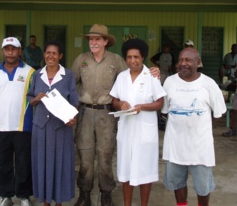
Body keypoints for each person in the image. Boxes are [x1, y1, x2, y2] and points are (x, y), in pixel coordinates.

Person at [71, 24, 160, 206]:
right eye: (91, 39)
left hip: (106, 114)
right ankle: (84, 193)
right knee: (85, 156)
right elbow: (70, 85)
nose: (93, 42)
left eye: (97, 39)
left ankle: (106, 193)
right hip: (85, 113)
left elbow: (134, 72)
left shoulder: (116, 60)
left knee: (105, 155)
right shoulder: (81, 60)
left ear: (105, 42)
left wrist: (153, 70)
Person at [162, 47, 226, 206]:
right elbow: (164, 109)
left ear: (198, 63)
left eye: (188, 60)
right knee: (177, 183)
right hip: (175, 146)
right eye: (181, 60)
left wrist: (200, 127)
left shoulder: (208, 84)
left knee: (203, 187)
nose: (183, 64)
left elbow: (219, 113)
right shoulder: (169, 82)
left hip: (200, 147)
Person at [110, 39, 166, 206]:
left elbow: (160, 103)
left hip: (144, 132)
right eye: (129, 57)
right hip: (126, 131)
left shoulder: (151, 76)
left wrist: (142, 106)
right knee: (126, 169)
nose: (132, 60)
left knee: (144, 171)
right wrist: (121, 104)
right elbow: (114, 100)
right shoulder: (121, 77)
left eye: (136, 57)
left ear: (143, 58)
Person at [28, 40, 78, 206]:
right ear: (44, 55)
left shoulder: (68, 75)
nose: (50, 56)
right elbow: (29, 98)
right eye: (48, 53)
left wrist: (72, 118)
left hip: (61, 128)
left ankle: (58, 202)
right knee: (42, 164)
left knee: (60, 165)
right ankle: (45, 201)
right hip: (40, 128)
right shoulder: (37, 75)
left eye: (54, 53)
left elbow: (74, 101)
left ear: (60, 56)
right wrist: (35, 99)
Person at [0, 37, 35, 206]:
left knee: (23, 163)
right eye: (7, 49)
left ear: (20, 51)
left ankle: (23, 195)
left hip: (23, 125)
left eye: (13, 49)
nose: (10, 52)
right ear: (3, 51)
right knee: (2, 163)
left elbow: (35, 98)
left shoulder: (30, 72)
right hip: (1, 127)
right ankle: (6, 195)